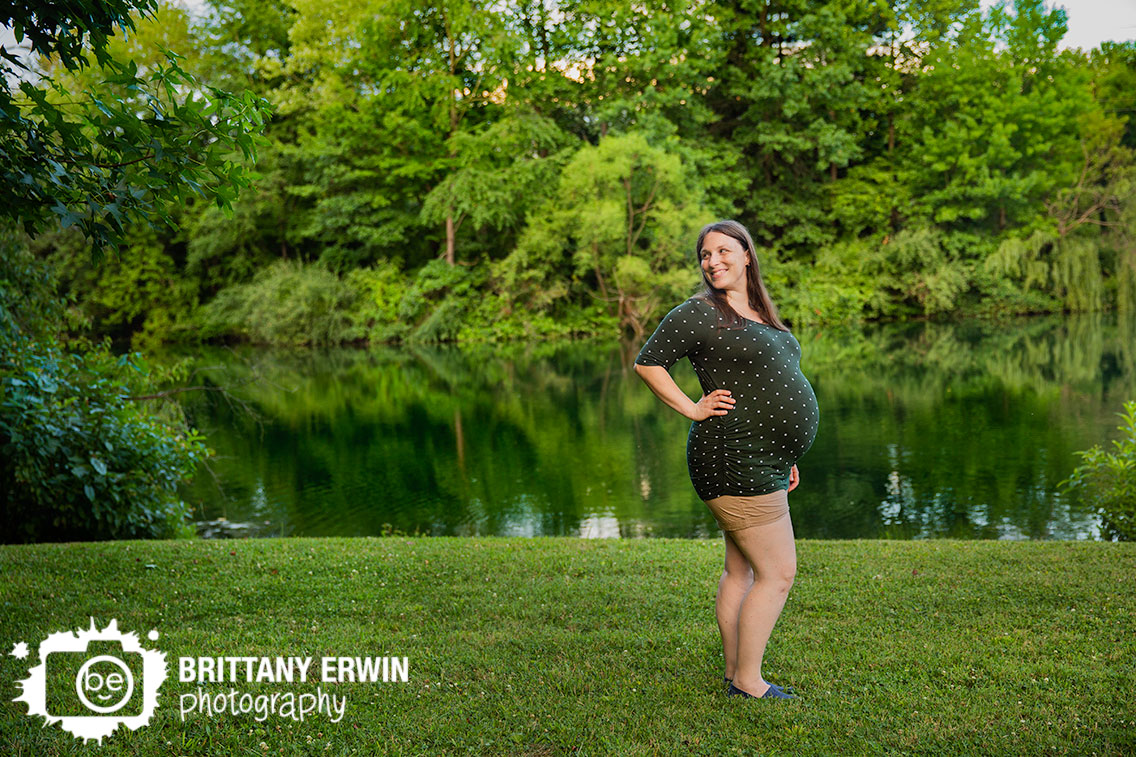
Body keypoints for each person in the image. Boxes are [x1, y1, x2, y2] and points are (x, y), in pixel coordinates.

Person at [632, 219, 819, 701]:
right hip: (733, 457)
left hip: (766, 460)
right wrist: (692, 407)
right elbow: (648, 363)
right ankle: (749, 682)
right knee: (777, 575)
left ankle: (737, 673)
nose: (712, 261)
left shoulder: (758, 312)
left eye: (722, 251)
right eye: (704, 255)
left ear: (747, 254)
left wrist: (787, 452)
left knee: (742, 571)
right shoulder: (699, 313)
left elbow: (773, 381)